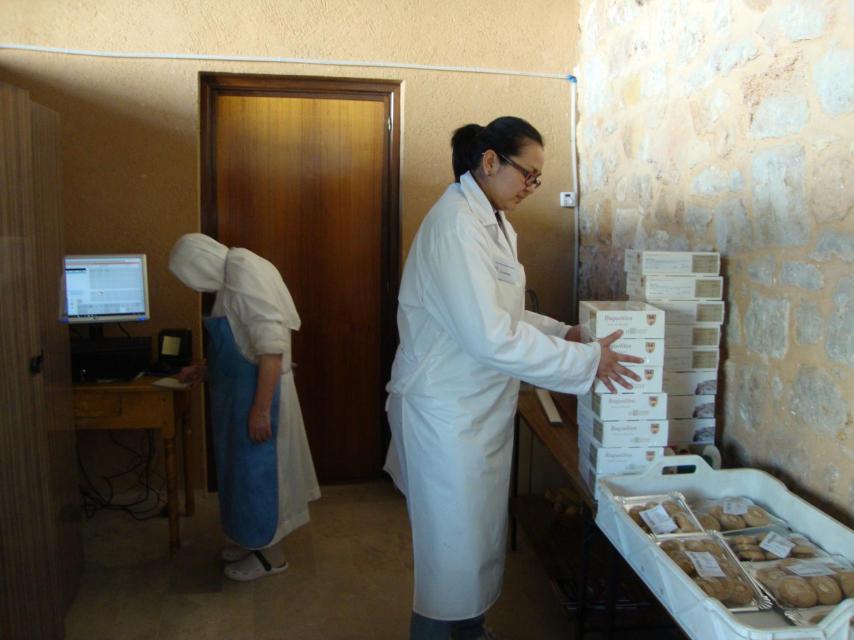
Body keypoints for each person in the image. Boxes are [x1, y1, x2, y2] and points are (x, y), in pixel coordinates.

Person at [383, 116, 643, 639]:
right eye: (528, 174)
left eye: (537, 179)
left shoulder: (493, 224)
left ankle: (470, 630)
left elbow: (504, 314)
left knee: (473, 546)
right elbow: (489, 336)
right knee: (449, 560)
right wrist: (588, 365)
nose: (531, 187)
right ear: (489, 161)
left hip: (475, 408)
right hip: (446, 414)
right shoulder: (456, 224)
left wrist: (564, 332)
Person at [169, 233, 320, 581]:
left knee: (259, 476)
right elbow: (243, 344)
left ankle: (270, 556)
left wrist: (261, 409)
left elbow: (270, 348)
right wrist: (205, 370)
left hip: (260, 397)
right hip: (239, 398)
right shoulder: (230, 279)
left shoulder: (245, 272)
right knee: (240, 475)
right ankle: (250, 540)